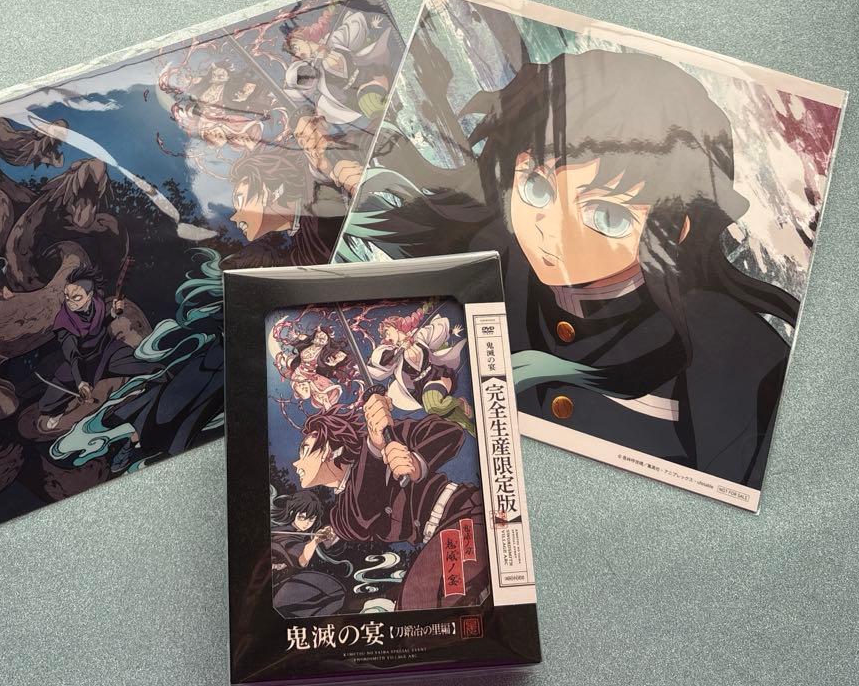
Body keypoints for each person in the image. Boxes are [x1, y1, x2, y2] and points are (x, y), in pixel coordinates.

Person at [341, 46, 799, 490]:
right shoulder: (494, 254)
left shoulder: (737, 360)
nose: (552, 233)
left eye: (607, 216)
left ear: (677, 228)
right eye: (537, 189)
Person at [292, 394, 488, 610]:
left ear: (329, 450)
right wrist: (374, 447)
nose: (296, 463)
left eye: (305, 450)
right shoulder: (342, 515)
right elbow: (362, 514)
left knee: (416, 602)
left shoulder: (390, 435)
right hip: (445, 535)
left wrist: (417, 462)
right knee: (427, 603)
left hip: (463, 510)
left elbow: (450, 431)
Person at [38, 264, 149, 430]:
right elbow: (73, 355)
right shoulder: (64, 322)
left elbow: (99, 326)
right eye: (67, 296)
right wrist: (80, 382)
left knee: (144, 366)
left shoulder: (97, 302)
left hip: (106, 351)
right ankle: (59, 412)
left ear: (89, 296)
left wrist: (113, 313)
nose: (69, 301)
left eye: (76, 297)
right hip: (81, 364)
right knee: (47, 405)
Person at [365, 308, 474, 435]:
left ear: (396, 327)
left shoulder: (419, 336)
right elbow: (382, 361)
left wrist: (450, 331)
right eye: (385, 336)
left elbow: (439, 330)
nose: (387, 337)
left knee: (433, 405)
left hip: (436, 375)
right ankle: (472, 427)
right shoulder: (390, 351)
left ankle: (459, 402)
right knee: (459, 420)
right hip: (420, 388)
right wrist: (399, 349)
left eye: (387, 332)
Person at [269, 488, 344, 617]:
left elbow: (330, 548)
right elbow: (301, 561)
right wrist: (314, 542)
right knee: (333, 592)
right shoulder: (282, 534)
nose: (306, 523)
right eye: (302, 517)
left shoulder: (305, 532)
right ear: (292, 513)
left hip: (290, 583)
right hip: (277, 585)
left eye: (311, 519)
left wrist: (328, 536)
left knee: (336, 592)